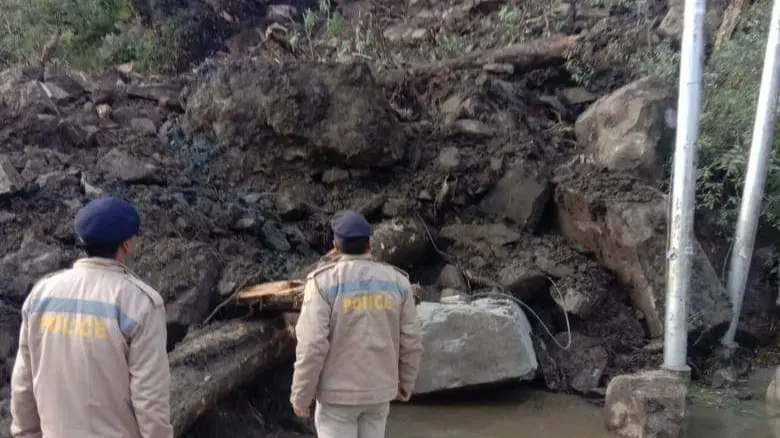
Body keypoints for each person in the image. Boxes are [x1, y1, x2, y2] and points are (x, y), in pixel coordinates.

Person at [10, 196, 173, 438]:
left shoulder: (42, 296)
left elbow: (23, 385)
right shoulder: (140, 304)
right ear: (127, 245)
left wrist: (25, 433)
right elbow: (150, 399)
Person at [290, 210, 424, 438]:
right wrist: (406, 383)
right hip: (379, 395)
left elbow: (312, 346)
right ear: (369, 245)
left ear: (335, 245)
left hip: (337, 399)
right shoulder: (398, 282)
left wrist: (301, 395)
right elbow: (412, 339)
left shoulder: (322, 283)